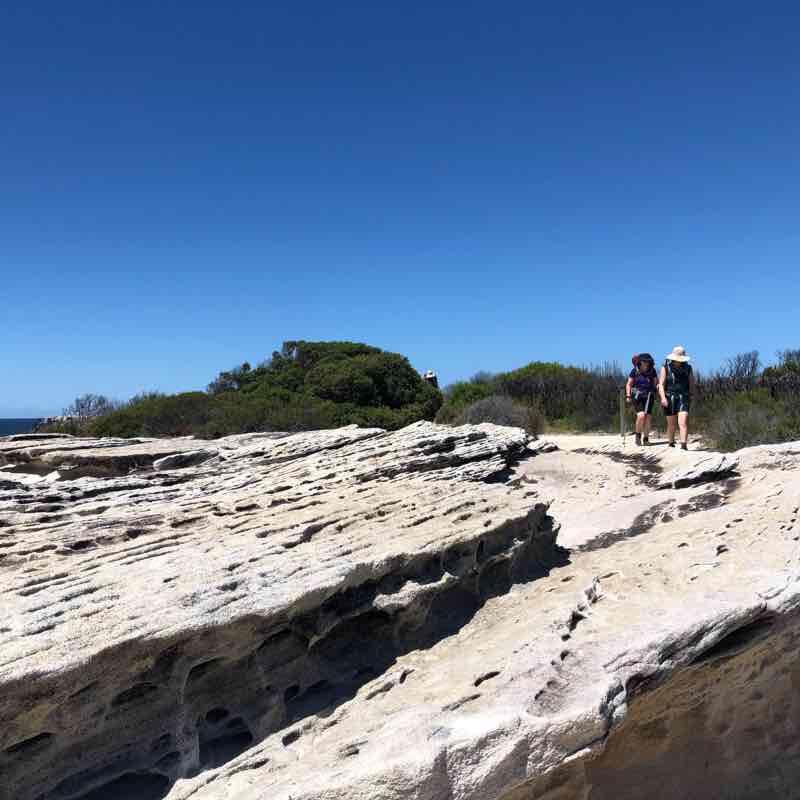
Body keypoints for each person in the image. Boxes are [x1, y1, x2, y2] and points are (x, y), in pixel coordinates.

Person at [659, 346, 694, 450]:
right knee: (671, 424)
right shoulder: (665, 367)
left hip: (684, 397)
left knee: (683, 422)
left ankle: (684, 445)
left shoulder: (688, 368)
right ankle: (671, 443)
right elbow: (661, 384)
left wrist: (692, 394)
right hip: (669, 397)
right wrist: (663, 398)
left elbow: (691, 382)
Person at [626, 353, 658, 446]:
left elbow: (656, 382)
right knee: (641, 416)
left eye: (648, 361)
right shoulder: (634, 371)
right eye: (645, 361)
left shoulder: (652, 370)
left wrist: (657, 389)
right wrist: (628, 395)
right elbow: (629, 384)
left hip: (649, 396)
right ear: (641, 362)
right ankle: (638, 436)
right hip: (637, 396)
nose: (646, 363)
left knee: (648, 417)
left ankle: (646, 439)